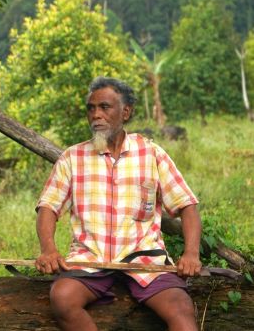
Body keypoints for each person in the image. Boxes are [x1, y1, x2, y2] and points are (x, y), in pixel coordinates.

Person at [35, 77, 202, 331]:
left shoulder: (152, 154)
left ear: (125, 112)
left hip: (145, 259)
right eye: (91, 109)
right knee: (63, 297)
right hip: (89, 259)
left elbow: (187, 206)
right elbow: (48, 207)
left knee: (181, 309)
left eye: (104, 107)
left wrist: (191, 254)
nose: (96, 115)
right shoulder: (72, 157)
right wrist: (49, 249)